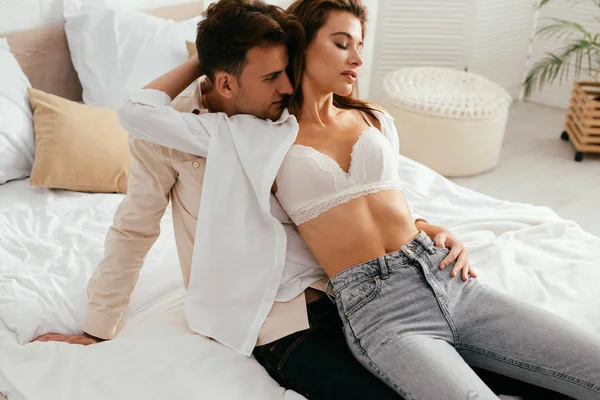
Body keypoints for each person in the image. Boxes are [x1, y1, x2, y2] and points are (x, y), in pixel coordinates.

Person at [103, 0, 587, 399]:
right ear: (301, 45)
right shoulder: (254, 136)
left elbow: (386, 202)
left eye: (359, 45)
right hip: (375, 306)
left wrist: (432, 228)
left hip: (445, 276)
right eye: (341, 44)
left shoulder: (375, 118)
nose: (357, 58)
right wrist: (205, 58)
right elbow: (139, 113)